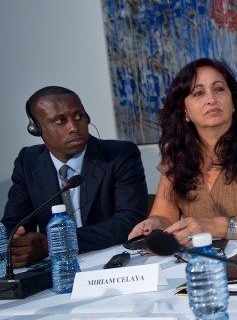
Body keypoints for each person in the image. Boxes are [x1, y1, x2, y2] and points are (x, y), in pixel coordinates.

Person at [129, 58, 237, 246]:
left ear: (233, 101)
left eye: (219, 89)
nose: (211, 99)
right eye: (198, 93)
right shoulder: (177, 155)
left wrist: (212, 226)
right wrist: (153, 225)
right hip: (204, 264)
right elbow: (165, 216)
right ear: (184, 111)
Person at [2, 87, 148, 267]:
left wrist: (54, 243)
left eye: (78, 116)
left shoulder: (119, 155)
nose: (73, 127)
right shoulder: (28, 161)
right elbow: (13, 223)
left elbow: (130, 220)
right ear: (36, 128)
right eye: (60, 121)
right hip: (56, 269)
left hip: (111, 261)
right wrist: (17, 244)